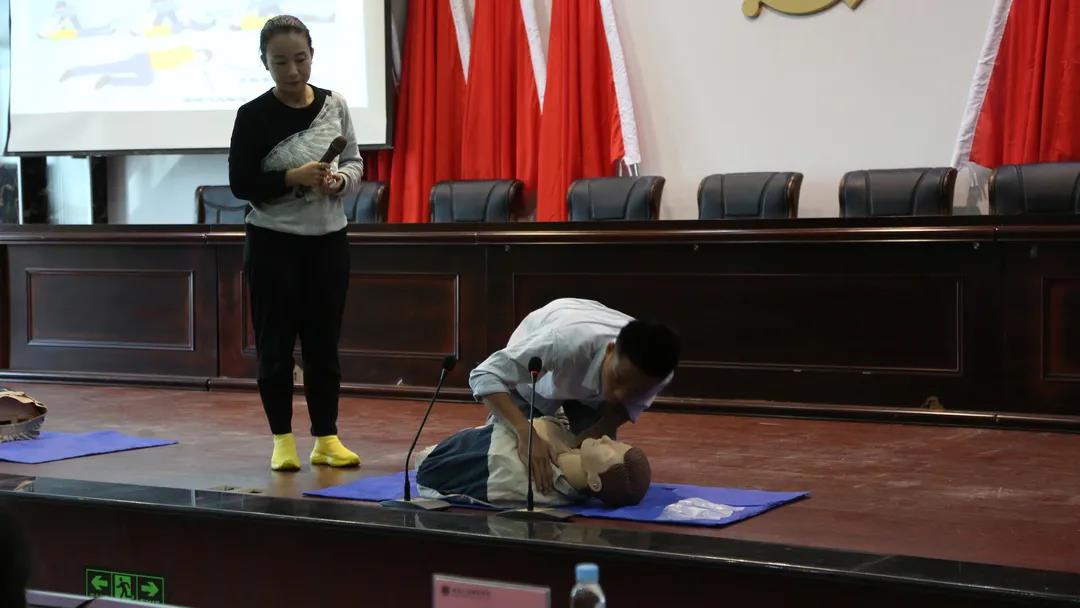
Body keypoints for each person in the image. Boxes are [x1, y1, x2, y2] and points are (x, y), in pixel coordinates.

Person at [228, 15, 364, 471]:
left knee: (324, 345)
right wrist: (292, 176)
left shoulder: (335, 104)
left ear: (312, 55)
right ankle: (282, 441)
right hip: (273, 244)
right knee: (276, 345)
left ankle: (327, 437)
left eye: (300, 59)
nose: (292, 70)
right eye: (280, 62)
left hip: (328, 242)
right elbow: (241, 183)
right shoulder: (252, 115)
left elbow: (354, 161)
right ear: (264, 63)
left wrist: (340, 181)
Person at [469, 298, 680, 493]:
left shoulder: (658, 371)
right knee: (510, 456)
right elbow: (484, 374)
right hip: (538, 372)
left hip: (585, 375)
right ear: (610, 350)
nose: (619, 394)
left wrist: (596, 431)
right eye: (618, 378)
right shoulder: (561, 343)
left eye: (635, 391)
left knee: (596, 469)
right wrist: (524, 431)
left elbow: (626, 407)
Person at [416, 416, 651, 508]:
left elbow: (432, 471)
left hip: (443, 459)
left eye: (610, 451)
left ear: (595, 482)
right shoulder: (570, 442)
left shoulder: (512, 473)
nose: (607, 439)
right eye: (617, 443)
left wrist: (535, 430)